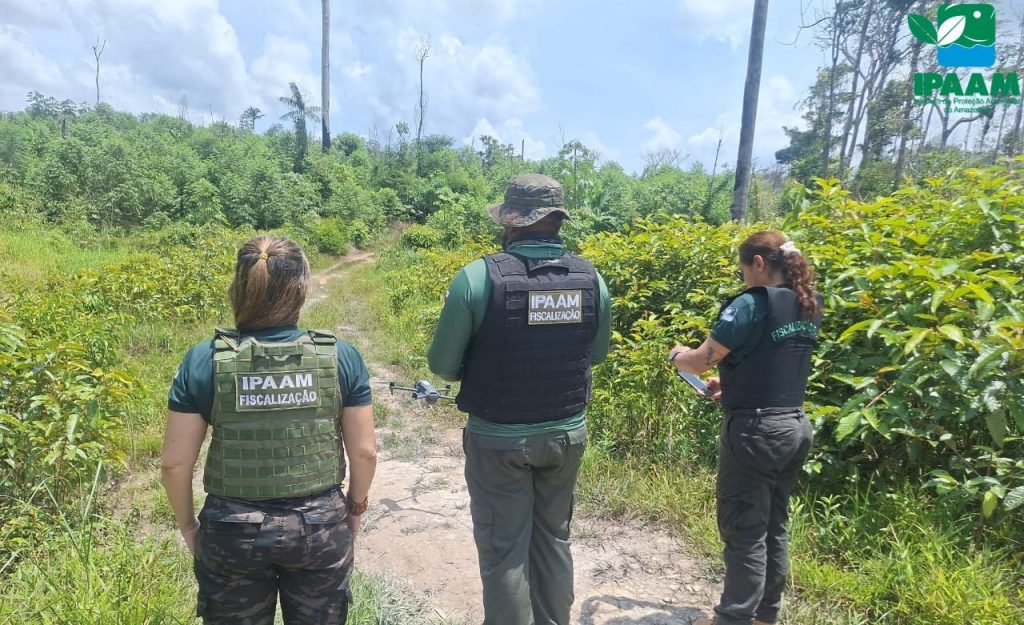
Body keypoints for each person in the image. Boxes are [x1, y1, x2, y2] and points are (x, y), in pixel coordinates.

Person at [161, 235, 377, 625]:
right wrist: (356, 509)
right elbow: (364, 452)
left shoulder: (203, 359)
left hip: (232, 531)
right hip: (320, 527)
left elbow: (175, 464)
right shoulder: (340, 356)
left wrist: (189, 527)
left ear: (239, 286)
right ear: (301, 288)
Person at [427, 174, 612, 625]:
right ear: (556, 222)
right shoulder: (592, 279)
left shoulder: (476, 277)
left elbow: (442, 366)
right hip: (567, 433)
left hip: (499, 439)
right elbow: (598, 354)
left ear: (511, 222)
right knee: (554, 540)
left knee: (505, 550)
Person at [669, 231, 822, 625]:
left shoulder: (752, 304)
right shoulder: (807, 302)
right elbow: (775, 361)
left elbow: (702, 361)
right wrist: (732, 383)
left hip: (756, 432)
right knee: (774, 526)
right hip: (794, 426)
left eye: (742, 269)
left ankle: (733, 618)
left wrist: (678, 357)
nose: (742, 278)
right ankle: (764, 616)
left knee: (744, 531)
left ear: (757, 262)